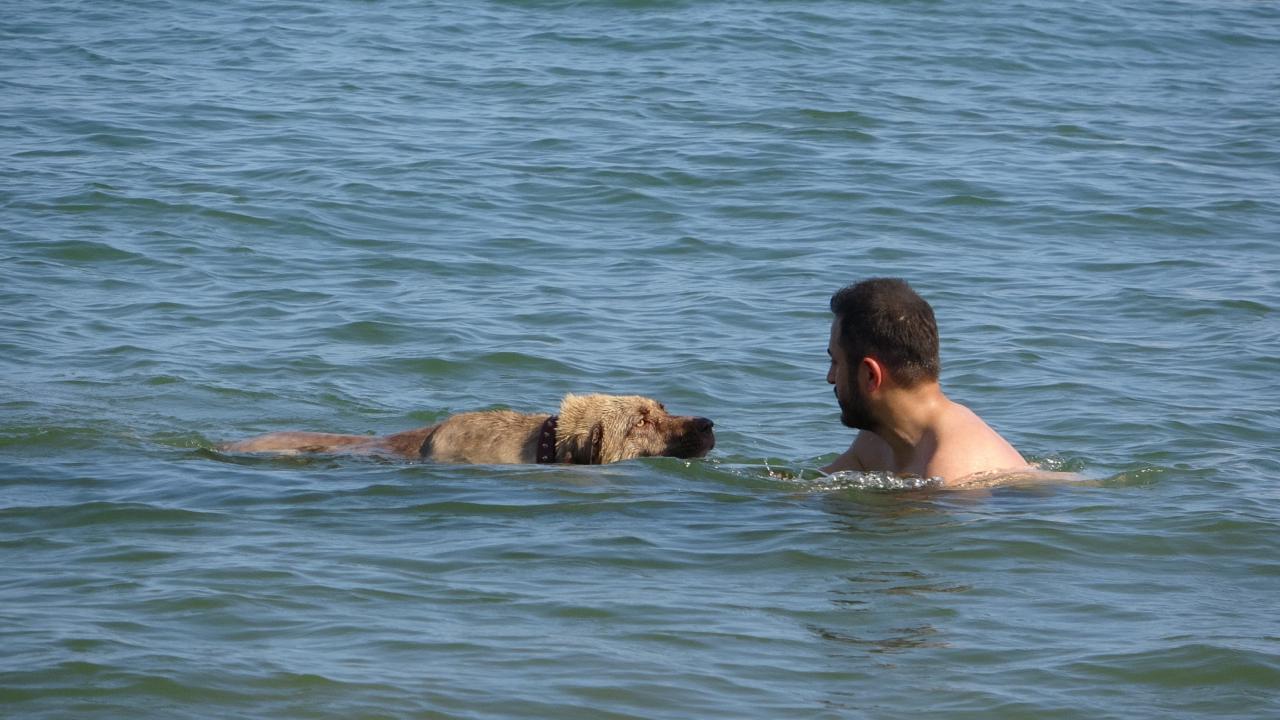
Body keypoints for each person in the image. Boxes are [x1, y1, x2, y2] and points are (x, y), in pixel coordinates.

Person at [822, 278, 1030, 485]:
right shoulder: (878, 440)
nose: (830, 377)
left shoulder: (950, 476)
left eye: (836, 362)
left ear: (871, 375)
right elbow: (816, 487)